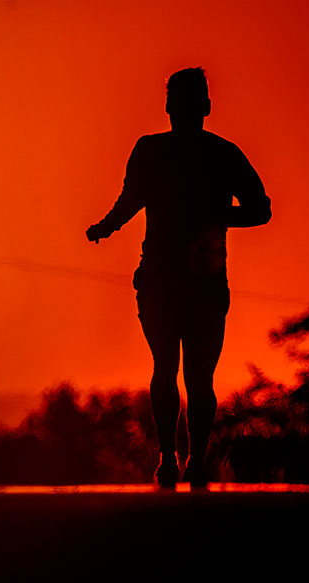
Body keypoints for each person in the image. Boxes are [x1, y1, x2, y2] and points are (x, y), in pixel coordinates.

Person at [86, 67, 271, 489]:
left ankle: (177, 459)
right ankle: (187, 460)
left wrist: (106, 227)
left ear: (175, 106)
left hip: (171, 280)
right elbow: (259, 210)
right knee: (192, 375)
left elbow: (130, 200)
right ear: (204, 106)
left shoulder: (157, 151)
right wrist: (106, 226)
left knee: (170, 369)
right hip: (184, 282)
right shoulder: (219, 153)